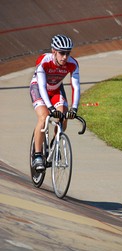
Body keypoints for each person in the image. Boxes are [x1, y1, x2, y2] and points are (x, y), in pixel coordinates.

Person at [30, 34, 80, 172]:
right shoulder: (44, 61)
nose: (65, 57)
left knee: (63, 116)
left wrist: (74, 108)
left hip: (56, 90)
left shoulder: (73, 64)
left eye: (68, 53)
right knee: (44, 117)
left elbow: (75, 86)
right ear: (54, 51)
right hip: (40, 89)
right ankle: (38, 155)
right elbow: (41, 87)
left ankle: (55, 143)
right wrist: (51, 108)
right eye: (62, 53)